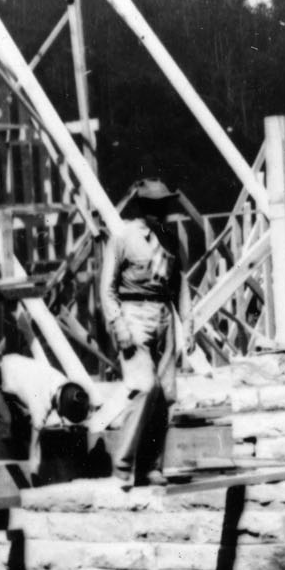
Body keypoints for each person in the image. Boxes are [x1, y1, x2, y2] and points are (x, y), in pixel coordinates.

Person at [100, 178, 187, 488]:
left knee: (165, 394)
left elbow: (179, 287)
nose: (160, 212)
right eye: (154, 206)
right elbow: (107, 288)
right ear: (143, 208)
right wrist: (119, 326)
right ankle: (123, 466)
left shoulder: (170, 240)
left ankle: (150, 467)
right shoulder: (123, 238)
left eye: (163, 206)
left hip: (164, 315)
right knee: (144, 386)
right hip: (133, 313)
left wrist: (186, 327)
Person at [0, 352, 91, 462]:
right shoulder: (40, 402)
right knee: (4, 420)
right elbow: (35, 440)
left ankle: (16, 457)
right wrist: (32, 463)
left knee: (22, 420)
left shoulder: (64, 384)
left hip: (13, 372)